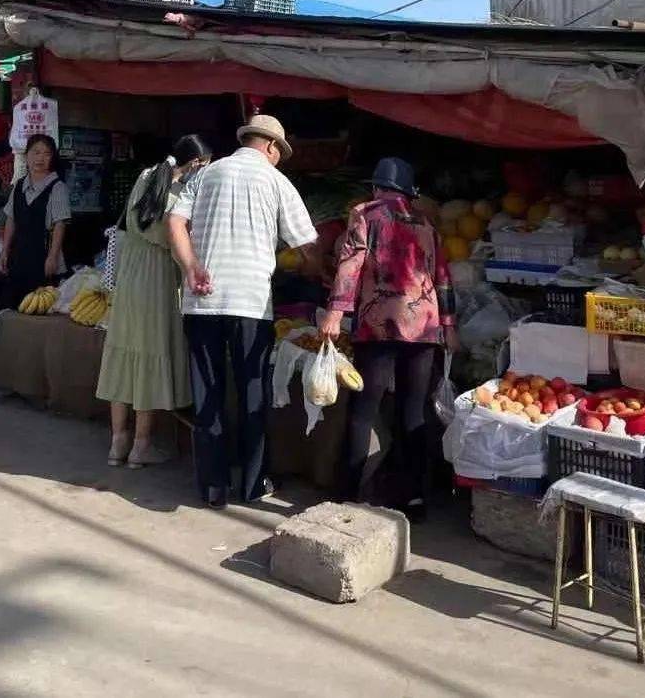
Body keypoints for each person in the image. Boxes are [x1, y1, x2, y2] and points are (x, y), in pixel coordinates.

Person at [167, 115, 319, 509]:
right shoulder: (276, 181)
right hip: (251, 302)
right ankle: (253, 484)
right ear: (271, 147)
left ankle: (213, 487)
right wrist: (322, 276)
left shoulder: (206, 173)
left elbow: (174, 222)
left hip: (202, 300)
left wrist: (191, 267)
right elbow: (307, 246)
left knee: (208, 393)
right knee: (252, 391)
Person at [319, 157, 459, 522]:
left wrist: (335, 311)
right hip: (424, 327)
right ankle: (414, 498)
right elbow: (442, 276)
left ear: (377, 187)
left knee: (365, 408)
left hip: (379, 324)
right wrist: (449, 325)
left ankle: (348, 493)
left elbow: (351, 263)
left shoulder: (365, 214)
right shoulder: (426, 222)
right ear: (407, 192)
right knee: (413, 411)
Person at [97, 135, 212, 469]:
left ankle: (117, 442)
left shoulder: (147, 175)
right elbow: (174, 241)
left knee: (123, 354)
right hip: (159, 278)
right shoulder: (184, 192)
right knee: (149, 356)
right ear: (196, 163)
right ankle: (141, 446)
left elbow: (135, 225)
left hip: (130, 273)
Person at [0, 133, 71, 309]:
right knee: (15, 305)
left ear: (52, 157)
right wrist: (5, 251)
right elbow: (11, 220)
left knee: (40, 308)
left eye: (47, 153)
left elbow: (60, 224)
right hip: (19, 256)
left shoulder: (57, 187)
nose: (40, 158)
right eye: (36, 152)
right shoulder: (19, 186)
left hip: (43, 256)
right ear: (27, 155)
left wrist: (53, 257)